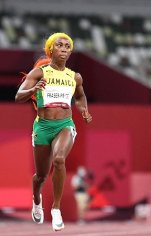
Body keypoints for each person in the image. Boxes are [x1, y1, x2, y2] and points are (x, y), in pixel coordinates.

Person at [15, 32, 93, 231]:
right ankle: (36, 199)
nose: (65, 49)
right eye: (60, 45)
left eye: (68, 46)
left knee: (59, 160)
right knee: (41, 176)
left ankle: (56, 209)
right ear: (51, 50)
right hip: (42, 126)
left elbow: (80, 97)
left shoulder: (74, 76)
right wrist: (33, 90)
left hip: (64, 125)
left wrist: (83, 109)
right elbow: (18, 96)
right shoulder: (40, 73)